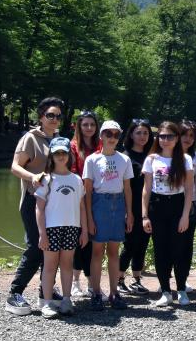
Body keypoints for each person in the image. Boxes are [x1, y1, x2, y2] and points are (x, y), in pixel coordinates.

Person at [6, 96, 65, 316]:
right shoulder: (30, 138)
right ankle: (15, 293)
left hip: (55, 202)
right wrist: (33, 177)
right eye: (50, 115)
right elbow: (15, 167)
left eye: (58, 116)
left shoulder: (59, 140)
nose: (54, 119)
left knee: (52, 247)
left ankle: (45, 292)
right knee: (36, 245)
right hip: (33, 200)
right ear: (41, 116)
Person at [34, 137, 88, 318]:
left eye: (63, 153)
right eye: (56, 153)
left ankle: (66, 300)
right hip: (51, 228)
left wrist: (84, 230)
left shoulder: (77, 179)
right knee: (49, 266)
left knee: (67, 264)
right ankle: (47, 302)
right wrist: (42, 234)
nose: (60, 156)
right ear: (51, 155)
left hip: (72, 227)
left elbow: (82, 207)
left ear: (69, 155)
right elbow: (39, 208)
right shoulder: (46, 179)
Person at [142, 121, 194, 307]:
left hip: (178, 206)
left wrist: (185, 215)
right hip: (157, 206)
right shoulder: (151, 159)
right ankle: (165, 291)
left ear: (177, 138)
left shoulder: (185, 159)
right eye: (162, 136)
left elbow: (189, 189)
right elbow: (146, 189)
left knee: (179, 250)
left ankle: (181, 290)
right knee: (161, 250)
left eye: (169, 136)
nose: (165, 140)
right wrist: (144, 215)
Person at [84, 120, 134, 311]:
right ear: (101, 136)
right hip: (99, 204)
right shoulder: (92, 160)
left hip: (118, 204)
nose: (112, 138)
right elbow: (88, 191)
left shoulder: (124, 160)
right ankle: (96, 293)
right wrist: (89, 218)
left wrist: (129, 213)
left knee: (114, 251)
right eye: (108, 134)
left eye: (116, 134)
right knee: (97, 251)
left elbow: (127, 188)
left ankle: (114, 293)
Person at [118, 119, 154, 296]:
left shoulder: (152, 156)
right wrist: (127, 212)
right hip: (131, 208)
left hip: (148, 208)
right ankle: (119, 280)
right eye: (138, 132)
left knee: (142, 244)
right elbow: (122, 188)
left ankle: (136, 280)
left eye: (145, 133)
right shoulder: (125, 157)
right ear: (131, 135)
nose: (142, 136)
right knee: (130, 244)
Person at [69, 110, 101, 299]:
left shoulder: (100, 145)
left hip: (97, 199)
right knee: (79, 239)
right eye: (85, 124)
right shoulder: (73, 146)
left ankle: (91, 282)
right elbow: (72, 172)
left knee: (93, 240)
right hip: (78, 197)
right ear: (79, 127)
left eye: (92, 124)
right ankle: (75, 281)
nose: (89, 128)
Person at [178, 119, 196, 294]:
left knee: (187, 244)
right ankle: (166, 280)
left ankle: (183, 278)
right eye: (184, 135)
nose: (187, 139)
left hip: (192, 203)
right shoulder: (168, 155)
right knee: (171, 243)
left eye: (191, 136)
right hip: (172, 202)